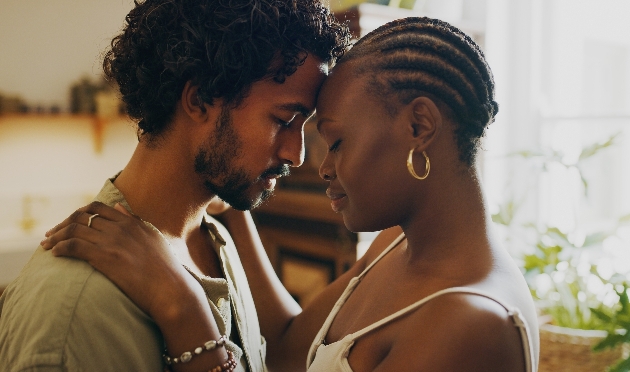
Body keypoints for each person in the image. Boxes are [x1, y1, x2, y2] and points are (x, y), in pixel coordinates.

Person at [38, 17, 539, 372]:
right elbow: (283, 349)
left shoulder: (469, 324)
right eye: (285, 121)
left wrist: (184, 311)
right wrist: (232, 187)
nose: (312, 162)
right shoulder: (395, 245)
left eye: (335, 141)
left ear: (419, 125)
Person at [0, 1, 350, 371]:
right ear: (198, 100)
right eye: (283, 120)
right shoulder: (72, 308)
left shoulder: (217, 241)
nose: (296, 155)